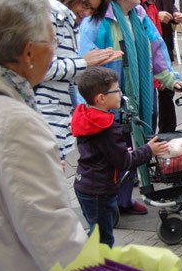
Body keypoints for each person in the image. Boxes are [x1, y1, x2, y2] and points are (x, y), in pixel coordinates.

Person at [0, 0, 87, 271]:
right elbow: (51, 231)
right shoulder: (14, 123)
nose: (55, 53)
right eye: (53, 43)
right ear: (29, 52)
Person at [79, 0, 182, 216]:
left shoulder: (138, 15)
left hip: (139, 91)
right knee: (113, 151)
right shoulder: (99, 20)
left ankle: (124, 200)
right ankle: (108, 202)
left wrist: (170, 79)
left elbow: (156, 48)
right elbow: (84, 60)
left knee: (133, 145)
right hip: (108, 97)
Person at [72, 67, 168, 247]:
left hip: (84, 184)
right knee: (102, 239)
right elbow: (125, 162)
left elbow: (101, 152)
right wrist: (149, 150)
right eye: (117, 90)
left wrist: (121, 153)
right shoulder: (107, 127)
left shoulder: (88, 117)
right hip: (100, 190)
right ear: (101, 98)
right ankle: (98, 269)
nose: (121, 93)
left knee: (96, 230)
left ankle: (94, 264)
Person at [35, 0, 122, 159]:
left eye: (93, 9)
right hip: (46, 113)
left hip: (57, 113)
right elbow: (42, 69)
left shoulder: (69, 21)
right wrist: (84, 63)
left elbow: (62, 72)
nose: (87, 12)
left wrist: (89, 64)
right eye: (85, 4)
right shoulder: (50, 17)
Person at [113, 0, 167, 133]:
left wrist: (169, 77)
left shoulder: (139, 13)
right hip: (114, 87)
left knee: (148, 117)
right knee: (122, 130)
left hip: (145, 77)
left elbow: (156, 45)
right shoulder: (103, 17)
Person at [143, 0, 182, 133]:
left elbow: (170, 2)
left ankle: (168, 135)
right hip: (149, 42)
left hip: (166, 38)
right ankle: (149, 139)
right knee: (150, 97)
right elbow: (138, 8)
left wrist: (175, 13)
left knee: (168, 91)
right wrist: (156, 15)